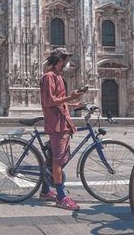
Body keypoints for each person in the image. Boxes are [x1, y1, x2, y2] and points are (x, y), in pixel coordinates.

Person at [39, 47, 85, 211]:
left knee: (54, 159)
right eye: (66, 60)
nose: (67, 63)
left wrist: (73, 104)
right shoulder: (49, 77)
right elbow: (51, 101)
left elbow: (59, 101)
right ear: (60, 61)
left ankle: (45, 190)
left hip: (62, 120)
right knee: (58, 161)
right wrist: (70, 97)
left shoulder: (58, 76)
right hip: (56, 123)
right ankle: (61, 197)